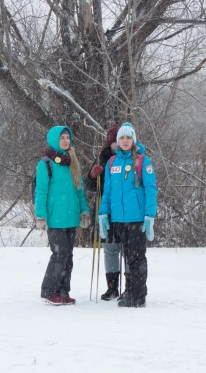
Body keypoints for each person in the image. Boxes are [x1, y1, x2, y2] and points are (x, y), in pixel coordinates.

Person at [97, 123, 157, 307]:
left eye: (128, 138)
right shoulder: (112, 162)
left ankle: (138, 295)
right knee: (128, 256)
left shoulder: (141, 161)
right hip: (118, 219)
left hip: (136, 218)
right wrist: (103, 214)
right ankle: (129, 290)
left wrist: (149, 216)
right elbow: (107, 191)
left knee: (136, 257)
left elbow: (151, 189)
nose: (124, 141)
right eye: (122, 138)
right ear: (117, 141)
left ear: (133, 140)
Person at [35, 126, 91, 305]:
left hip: (71, 217)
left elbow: (79, 189)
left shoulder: (73, 162)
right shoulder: (45, 164)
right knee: (60, 254)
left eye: (68, 137)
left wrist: (84, 211)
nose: (66, 141)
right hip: (55, 217)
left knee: (68, 255)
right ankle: (50, 291)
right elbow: (41, 191)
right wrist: (41, 216)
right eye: (62, 138)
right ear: (54, 140)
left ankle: (63, 291)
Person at [85, 124, 129, 301]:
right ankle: (112, 287)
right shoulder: (102, 160)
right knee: (110, 249)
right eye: (114, 142)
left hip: (126, 213)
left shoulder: (130, 160)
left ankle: (129, 286)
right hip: (106, 212)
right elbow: (89, 186)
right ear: (109, 144)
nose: (117, 145)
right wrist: (92, 176)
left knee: (127, 250)